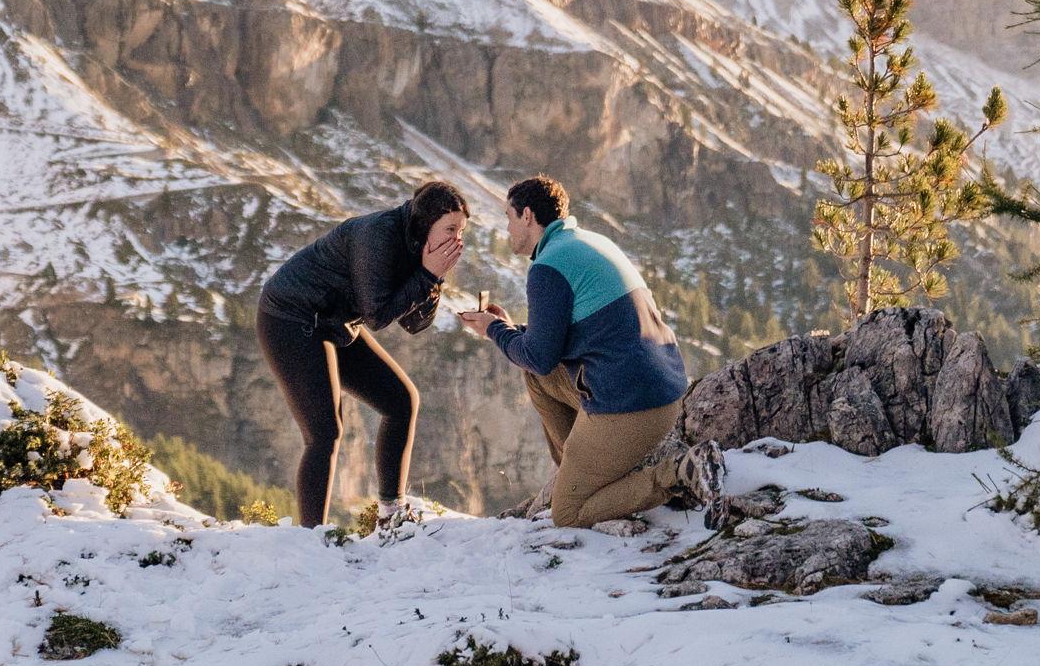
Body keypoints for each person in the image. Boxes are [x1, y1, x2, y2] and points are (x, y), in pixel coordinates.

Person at [460, 174, 723, 527]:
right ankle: (582, 472)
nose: (506, 227)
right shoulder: (588, 243)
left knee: (566, 513)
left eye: (508, 217)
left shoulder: (547, 267)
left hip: (633, 405)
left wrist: (493, 329)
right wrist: (510, 329)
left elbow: (539, 356)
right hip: (664, 389)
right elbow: (554, 347)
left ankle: (677, 474)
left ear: (526, 216)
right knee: (538, 377)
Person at [257, 179, 468, 528]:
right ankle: (311, 537)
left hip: (336, 321)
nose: (456, 239)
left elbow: (415, 324)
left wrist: (435, 278)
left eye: (461, 230)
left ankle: (390, 513)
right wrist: (428, 274)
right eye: (449, 228)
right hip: (291, 318)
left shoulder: (420, 247)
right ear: (425, 223)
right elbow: (378, 315)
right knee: (325, 432)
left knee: (402, 401)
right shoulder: (379, 235)